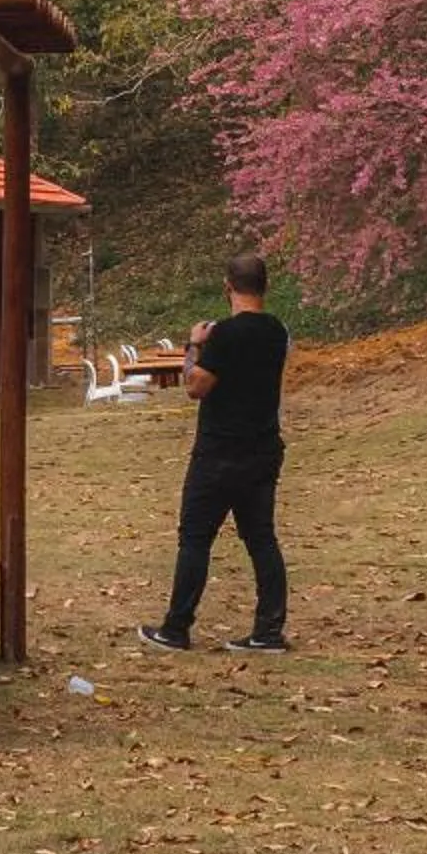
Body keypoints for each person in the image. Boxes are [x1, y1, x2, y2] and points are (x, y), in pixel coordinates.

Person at [140, 255, 291, 655]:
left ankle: (176, 627)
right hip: (263, 448)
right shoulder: (278, 331)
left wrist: (194, 344)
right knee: (261, 538)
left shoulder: (224, 335)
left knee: (195, 538)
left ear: (228, 287)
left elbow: (195, 386)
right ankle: (268, 630)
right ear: (265, 287)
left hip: (220, 451)